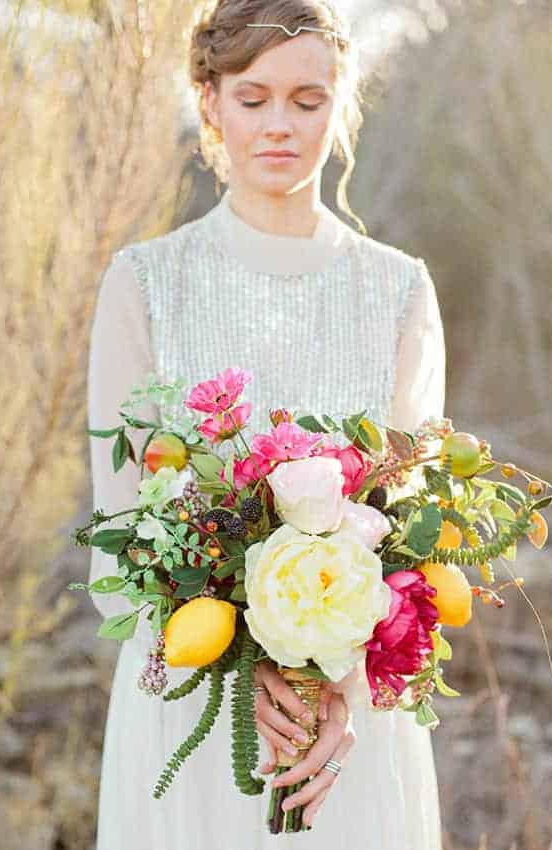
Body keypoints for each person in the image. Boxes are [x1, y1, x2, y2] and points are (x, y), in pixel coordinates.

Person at [87, 0, 446, 847]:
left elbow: (416, 532)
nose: (279, 124)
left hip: (346, 720)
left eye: (307, 100)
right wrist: (245, 670)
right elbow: (123, 526)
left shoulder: (399, 291)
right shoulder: (146, 284)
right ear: (210, 103)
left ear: (340, 104)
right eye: (253, 99)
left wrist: (341, 694)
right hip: (192, 706)